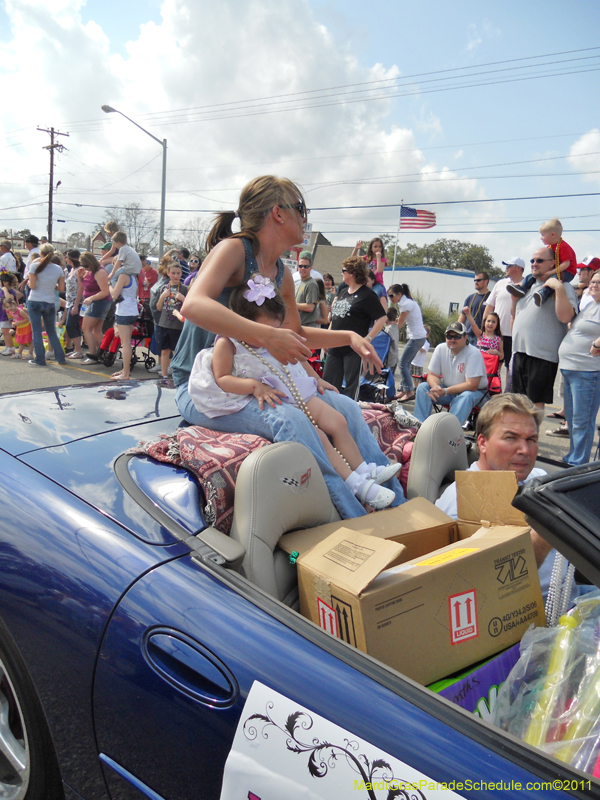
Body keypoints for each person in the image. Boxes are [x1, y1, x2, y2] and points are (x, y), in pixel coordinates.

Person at [172, 175, 404, 519]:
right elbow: (194, 305)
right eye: (301, 209)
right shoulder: (235, 250)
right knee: (292, 420)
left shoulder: (281, 273)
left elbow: (294, 336)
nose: (306, 218)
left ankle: (400, 509)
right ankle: (357, 518)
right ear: (278, 213)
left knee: (346, 408)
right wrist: (267, 336)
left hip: (261, 380)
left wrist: (349, 337)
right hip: (209, 389)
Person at [189, 276, 400, 509]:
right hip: (274, 397)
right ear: (243, 323)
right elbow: (222, 378)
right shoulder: (228, 343)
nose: (272, 335)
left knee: (338, 421)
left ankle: (364, 469)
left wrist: (317, 379)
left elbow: (298, 358)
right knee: (317, 437)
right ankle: (355, 484)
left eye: (276, 328)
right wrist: (254, 386)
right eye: (265, 330)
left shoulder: (275, 339)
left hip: (294, 390)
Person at [436, 393, 586, 607]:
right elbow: (484, 589)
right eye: (510, 438)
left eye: (531, 440)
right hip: (534, 614)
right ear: (482, 443)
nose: (525, 450)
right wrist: (543, 538)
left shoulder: (538, 478)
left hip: (575, 599)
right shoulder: (460, 501)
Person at [511, 247, 577, 411]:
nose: (534, 264)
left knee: (535, 404)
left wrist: (558, 289)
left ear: (552, 263)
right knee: (517, 403)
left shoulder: (563, 286)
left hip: (542, 355)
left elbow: (566, 317)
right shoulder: (528, 286)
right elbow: (517, 315)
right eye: (532, 260)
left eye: (539, 260)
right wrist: (513, 300)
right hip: (520, 351)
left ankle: (533, 430)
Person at [323, 255, 387, 399]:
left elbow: (382, 318)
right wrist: (327, 337)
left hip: (353, 350)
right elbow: (335, 317)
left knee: (351, 387)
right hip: (334, 346)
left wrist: (367, 339)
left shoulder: (367, 295)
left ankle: (348, 411)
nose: (341, 273)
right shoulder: (343, 291)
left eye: (343, 270)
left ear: (352, 273)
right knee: (329, 385)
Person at [557, 271, 600, 465]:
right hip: (571, 369)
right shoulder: (591, 305)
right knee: (573, 420)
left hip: (587, 372)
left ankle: (578, 463)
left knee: (582, 421)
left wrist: (597, 344)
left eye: (599, 282)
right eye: (593, 282)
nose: (594, 285)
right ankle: (572, 458)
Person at [414, 321, 487, 425]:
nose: (452, 340)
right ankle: (419, 426)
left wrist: (445, 391)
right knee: (423, 387)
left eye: (457, 336)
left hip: (476, 394)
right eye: (449, 336)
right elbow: (432, 374)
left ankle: (449, 430)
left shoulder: (473, 353)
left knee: (465, 396)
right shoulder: (440, 348)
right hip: (448, 391)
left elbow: (472, 385)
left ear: (465, 337)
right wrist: (435, 387)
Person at [508, 218, 577, 307]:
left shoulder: (563, 247)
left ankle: (544, 293)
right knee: (533, 275)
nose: (541, 238)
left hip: (567, 272)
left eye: (543, 235)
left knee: (553, 279)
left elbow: (566, 264)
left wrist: (550, 272)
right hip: (556, 269)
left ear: (552, 235)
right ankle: (523, 287)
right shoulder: (550, 247)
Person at [26, 243, 67, 366]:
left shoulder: (34, 266)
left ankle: (39, 359)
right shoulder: (58, 269)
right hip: (49, 301)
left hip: (35, 300)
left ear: (41, 253)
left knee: (37, 331)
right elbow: (61, 288)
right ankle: (61, 357)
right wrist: (51, 285)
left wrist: (28, 283)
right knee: (51, 331)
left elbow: (33, 286)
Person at [387, 283, 427, 403]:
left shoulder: (405, 304)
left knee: (402, 364)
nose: (390, 298)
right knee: (406, 364)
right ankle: (404, 390)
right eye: (389, 296)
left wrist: (390, 323)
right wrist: (397, 321)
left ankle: (409, 391)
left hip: (416, 337)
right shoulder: (407, 302)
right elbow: (402, 320)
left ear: (399, 294)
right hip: (419, 337)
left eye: (391, 296)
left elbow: (400, 325)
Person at [482, 257, 525, 371]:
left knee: (511, 370)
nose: (506, 268)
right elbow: (489, 307)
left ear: (518, 268)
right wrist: (484, 329)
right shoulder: (500, 283)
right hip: (496, 334)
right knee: (492, 367)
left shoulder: (527, 286)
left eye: (509, 266)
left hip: (515, 336)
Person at [156, 261, 188, 378]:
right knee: (165, 351)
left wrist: (183, 299)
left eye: (178, 273)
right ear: (168, 273)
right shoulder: (164, 288)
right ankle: (164, 375)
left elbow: (189, 307)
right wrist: (162, 297)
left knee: (176, 351)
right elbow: (159, 308)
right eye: (173, 273)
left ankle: (177, 375)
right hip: (164, 323)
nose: (176, 276)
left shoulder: (184, 289)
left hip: (177, 325)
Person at [108, 263, 140, 381]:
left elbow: (114, 295)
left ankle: (125, 373)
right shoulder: (134, 277)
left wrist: (109, 284)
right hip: (132, 310)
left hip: (124, 311)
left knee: (125, 343)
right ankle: (125, 370)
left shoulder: (122, 276)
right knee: (127, 343)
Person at [78, 252, 111, 364]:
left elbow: (104, 291)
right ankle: (102, 353)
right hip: (95, 302)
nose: (85, 268)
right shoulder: (90, 271)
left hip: (99, 302)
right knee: (96, 330)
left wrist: (91, 298)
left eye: (86, 265)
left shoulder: (100, 272)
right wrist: (80, 277)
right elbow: (83, 286)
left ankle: (93, 354)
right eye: (83, 266)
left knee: (86, 328)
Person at [458, 272, 490, 346]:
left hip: (481, 336)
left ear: (486, 281)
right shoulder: (470, 297)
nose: (476, 282)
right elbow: (462, 316)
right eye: (475, 280)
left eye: (478, 280)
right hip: (467, 335)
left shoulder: (491, 297)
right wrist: (457, 330)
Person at [64, 249, 84, 359]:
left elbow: (81, 287)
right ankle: (77, 349)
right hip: (69, 301)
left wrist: (76, 305)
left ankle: (79, 350)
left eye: (67, 257)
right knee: (74, 325)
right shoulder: (71, 269)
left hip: (76, 302)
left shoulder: (79, 270)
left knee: (70, 325)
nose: (65, 258)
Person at [295, 256, 321, 328]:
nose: (302, 268)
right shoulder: (302, 282)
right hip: (299, 325)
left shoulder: (311, 284)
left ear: (310, 268)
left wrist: (292, 304)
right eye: (300, 266)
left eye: (306, 266)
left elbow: (310, 307)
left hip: (306, 326)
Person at [0, 272, 19, 356]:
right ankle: (7, 347)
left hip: (7, 315)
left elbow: (9, 299)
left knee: (6, 331)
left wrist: (4, 290)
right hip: (2, 313)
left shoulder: (11, 291)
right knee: (4, 331)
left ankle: (10, 348)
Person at [410, 324, 430, 388]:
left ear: (427, 335)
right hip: (412, 361)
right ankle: (410, 387)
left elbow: (422, 350)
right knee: (410, 375)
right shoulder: (417, 341)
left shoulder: (426, 343)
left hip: (418, 364)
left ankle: (416, 388)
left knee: (416, 378)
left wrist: (416, 344)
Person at [383, 307, 399, 377]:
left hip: (388, 360)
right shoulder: (396, 327)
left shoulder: (388, 330)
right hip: (395, 358)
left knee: (385, 378)